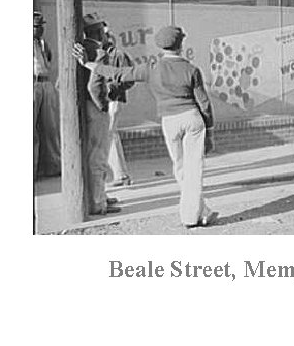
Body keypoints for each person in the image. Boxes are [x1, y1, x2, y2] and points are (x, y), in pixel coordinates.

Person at [73, 25, 217, 228]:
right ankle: (191, 217)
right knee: (194, 169)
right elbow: (204, 103)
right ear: (181, 45)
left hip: (169, 121)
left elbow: (117, 73)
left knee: (180, 168)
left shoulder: (152, 69)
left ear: (161, 47)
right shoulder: (192, 70)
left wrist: (88, 63)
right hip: (192, 119)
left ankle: (203, 210)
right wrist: (210, 131)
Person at [81, 13, 118, 215]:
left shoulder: (83, 47)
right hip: (95, 107)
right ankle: (98, 202)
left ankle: (99, 195)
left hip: (87, 107)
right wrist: (103, 105)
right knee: (98, 156)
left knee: (93, 154)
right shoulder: (97, 51)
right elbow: (95, 85)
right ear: (98, 31)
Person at [103, 29, 135, 187]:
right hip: (103, 100)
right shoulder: (99, 55)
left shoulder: (119, 55)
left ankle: (120, 174)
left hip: (113, 99)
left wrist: (112, 87)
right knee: (109, 135)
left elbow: (129, 78)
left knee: (109, 135)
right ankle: (120, 173)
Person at [33, 11, 61, 179]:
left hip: (45, 83)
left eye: (41, 25)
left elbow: (48, 61)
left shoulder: (43, 43)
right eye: (37, 26)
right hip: (32, 83)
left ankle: (53, 166)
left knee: (50, 127)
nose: (40, 29)